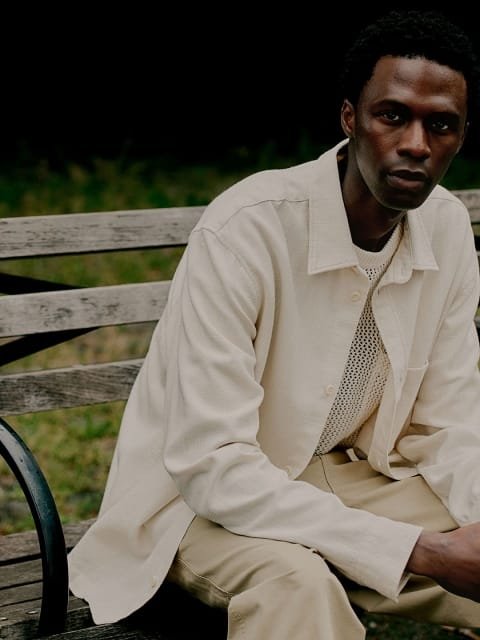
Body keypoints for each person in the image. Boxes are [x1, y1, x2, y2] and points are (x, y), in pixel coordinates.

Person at [68, 8, 480, 639]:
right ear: (350, 118)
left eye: (440, 125)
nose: (416, 144)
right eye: (392, 116)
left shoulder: (446, 228)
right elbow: (213, 465)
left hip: (346, 477)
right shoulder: (247, 230)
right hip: (196, 503)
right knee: (298, 587)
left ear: (461, 135)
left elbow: (447, 424)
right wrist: (422, 550)